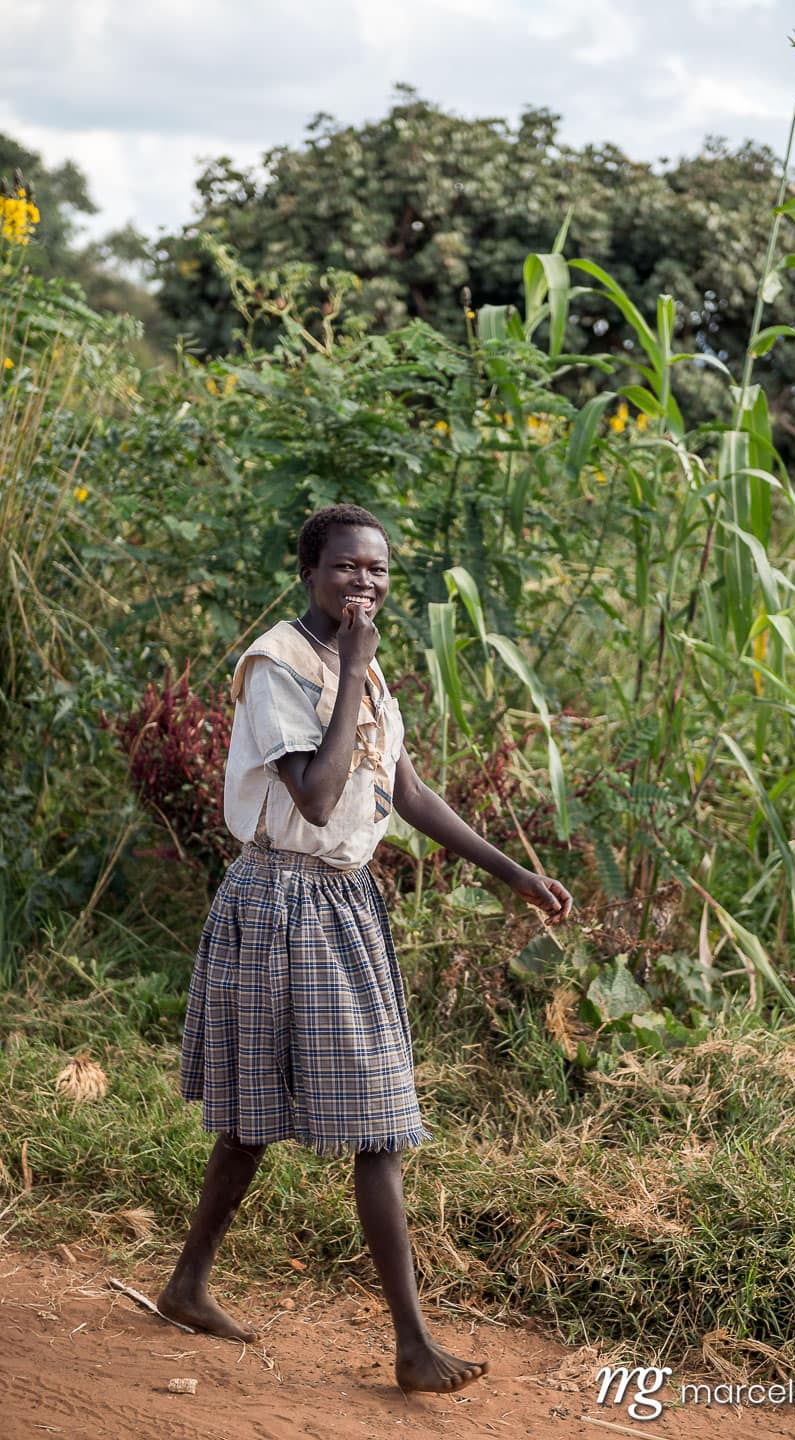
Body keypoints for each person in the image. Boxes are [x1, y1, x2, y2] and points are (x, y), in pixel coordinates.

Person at [157, 503, 573, 1394]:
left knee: (269, 1117)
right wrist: (349, 671)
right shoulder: (279, 666)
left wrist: (517, 876)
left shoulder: (369, 670)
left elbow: (409, 792)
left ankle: (188, 1282)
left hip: (344, 904)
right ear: (310, 571)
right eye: (347, 567)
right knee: (354, 1120)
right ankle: (413, 1345)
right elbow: (311, 797)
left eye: (378, 571)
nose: (365, 583)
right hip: (277, 901)